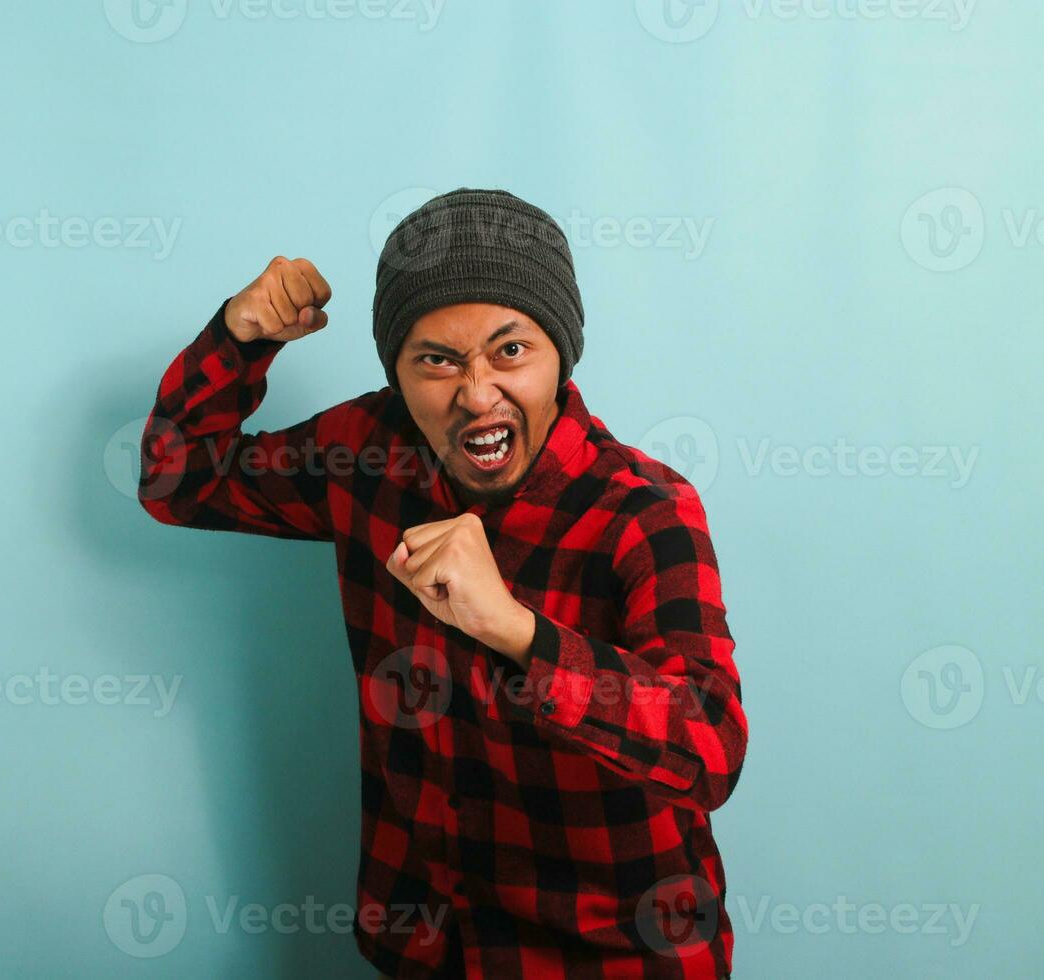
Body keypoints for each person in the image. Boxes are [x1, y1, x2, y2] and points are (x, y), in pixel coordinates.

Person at [138, 188, 747, 978]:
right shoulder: (369, 453)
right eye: (437, 359)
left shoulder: (643, 511)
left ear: (561, 353)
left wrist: (518, 632)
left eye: (510, 351)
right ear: (397, 371)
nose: (477, 392)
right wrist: (238, 338)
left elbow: (711, 747)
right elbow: (178, 482)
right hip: (426, 946)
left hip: (612, 958)